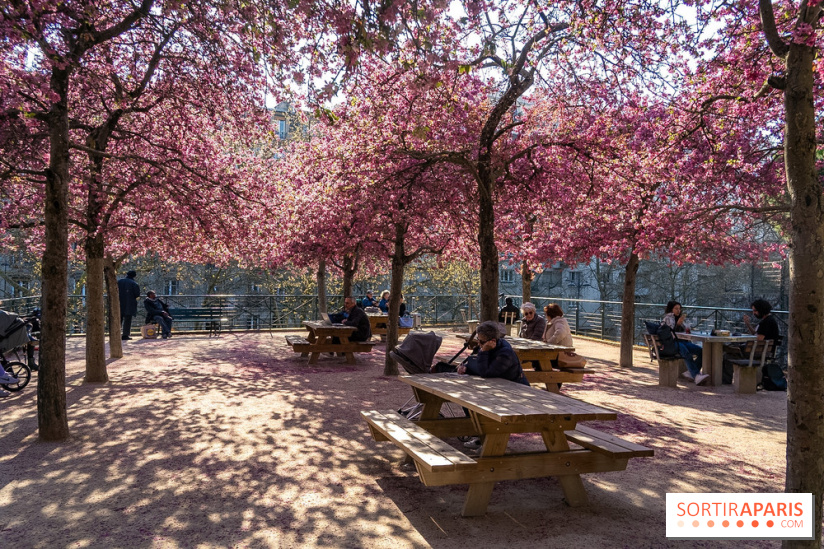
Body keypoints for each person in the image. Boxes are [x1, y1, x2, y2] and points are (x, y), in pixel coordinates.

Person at [457, 320, 530, 449]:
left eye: (481, 342)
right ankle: (481, 436)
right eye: (478, 341)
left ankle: (488, 441)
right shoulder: (489, 347)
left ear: (492, 341)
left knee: (480, 404)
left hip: (516, 393)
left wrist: (483, 352)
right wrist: (466, 368)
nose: (479, 344)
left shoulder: (504, 353)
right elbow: (482, 368)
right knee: (466, 400)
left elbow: (487, 372)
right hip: (500, 390)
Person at [723, 299, 781, 384]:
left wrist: (744, 344)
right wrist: (748, 324)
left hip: (758, 352)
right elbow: (756, 334)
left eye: (755, 311)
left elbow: (759, 339)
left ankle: (726, 381)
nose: (754, 313)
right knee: (729, 349)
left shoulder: (766, 322)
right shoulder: (769, 320)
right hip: (761, 350)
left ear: (761, 309)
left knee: (727, 355)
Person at [663, 301, 709, 385]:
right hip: (672, 343)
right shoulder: (667, 318)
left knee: (702, 351)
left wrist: (685, 327)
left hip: (683, 341)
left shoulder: (681, 318)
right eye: (676, 309)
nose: (678, 311)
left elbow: (685, 332)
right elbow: (670, 333)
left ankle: (690, 373)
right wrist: (677, 324)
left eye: (679, 309)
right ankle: (696, 375)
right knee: (685, 351)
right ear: (671, 309)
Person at [117, 270, 140, 340]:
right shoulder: (134, 284)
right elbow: (137, 294)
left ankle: (116, 334)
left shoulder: (119, 282)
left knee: (118, 319)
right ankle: (125, 335)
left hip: (119, 303)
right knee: (127, 320)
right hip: (129, 304)